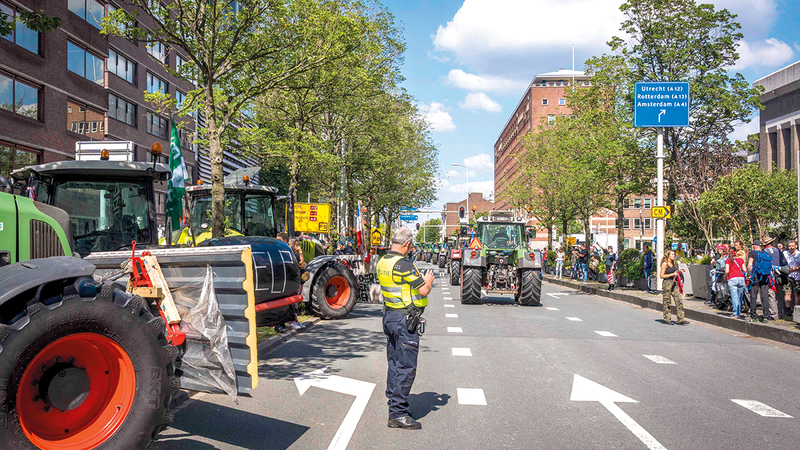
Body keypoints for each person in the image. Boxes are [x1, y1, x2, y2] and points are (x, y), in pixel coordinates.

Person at [377, 227, 434, 430]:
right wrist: (427, 281)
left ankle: (394, 403)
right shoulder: (404, 264)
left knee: (394, 363)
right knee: (406, 366)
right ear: (408, 244)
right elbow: (423, 289)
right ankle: (398, 413)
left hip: (390, 317)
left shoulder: (383, 262)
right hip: (404, 319)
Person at [748, 238, 779, 322]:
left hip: (756, 276)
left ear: (754, 246)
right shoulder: (765, 253)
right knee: (765, 296)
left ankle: (753, 316)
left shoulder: (752, 253)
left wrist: (749, 274)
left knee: (753, 296)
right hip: (765, 276)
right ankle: (766, 316)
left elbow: (750, 264)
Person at [660, 249, 687, 324]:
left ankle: (680, 319)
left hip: (674, 283)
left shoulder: (673, 263)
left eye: (674, 255)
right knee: (667, 301)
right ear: (668, 255)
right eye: (672, 254)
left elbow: (674, 272)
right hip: (667, 283)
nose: (673, 256)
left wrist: (678, 272)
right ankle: (667, 319)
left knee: (679, 300)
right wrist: (672, 274)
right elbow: (661, 275)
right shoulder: (665, 264)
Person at [726, 249, 748, 319]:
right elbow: (744, 270)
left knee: (734, 296)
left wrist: (725, 276)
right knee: (740, 296)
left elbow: (727, 271)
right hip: (741, 278)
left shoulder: (727, 260)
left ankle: (735, 313)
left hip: (732, 278)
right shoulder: (741, 260)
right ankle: (739, 311)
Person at [783, 240, 800, 318]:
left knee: (796, 294)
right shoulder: (785, 253)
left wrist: (796, 268)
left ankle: (796, 310)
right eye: (790, 246)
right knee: (787, 293)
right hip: (787, 275)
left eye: (793, 246)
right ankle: (787, 310)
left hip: (797, 276)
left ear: (796, 246)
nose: (791, 247)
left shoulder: (799, 254)